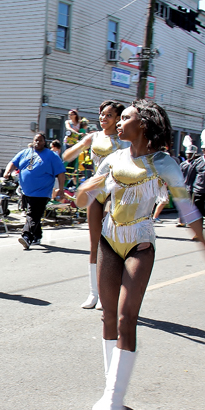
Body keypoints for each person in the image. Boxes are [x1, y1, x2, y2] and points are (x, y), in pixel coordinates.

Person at [74, 99, 205, 410]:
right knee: (108, 316)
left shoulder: (163, 164)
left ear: (142, 124)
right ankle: (109, 391)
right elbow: (86, 198)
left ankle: (114, 404)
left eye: (125, 117)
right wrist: (82, 191)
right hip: (109, 241)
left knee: (128, 317)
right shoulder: (113, 159)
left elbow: (188, 211)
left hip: (139, 243)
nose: (118, 122)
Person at [57, 100, 127, 308]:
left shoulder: (125, 141)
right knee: (95, 244)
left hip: (118, 192)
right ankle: (93, 293)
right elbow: (67, 155)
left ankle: (112, 291)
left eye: (109, 115)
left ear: (118, 119)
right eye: (102, 114)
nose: (104, 118)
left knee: (114, 244)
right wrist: (76, 149)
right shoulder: (94, 137)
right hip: (97, 190)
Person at [5, 133, 66, 251]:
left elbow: (61, 173)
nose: (38, 142)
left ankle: (27, 236)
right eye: (36, 140)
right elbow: (13, 162)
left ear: (45, 142)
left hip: (42, 192)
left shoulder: (51, 156)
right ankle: (37, 235)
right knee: (34, 214)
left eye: (40, 140)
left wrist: (61, 189)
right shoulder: (26, 152)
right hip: (26, 191)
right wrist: (7, 172)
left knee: (32, 214)